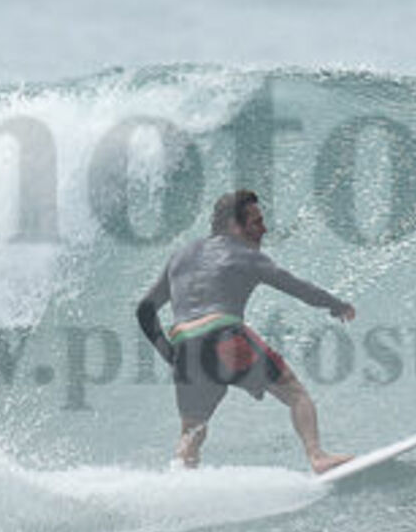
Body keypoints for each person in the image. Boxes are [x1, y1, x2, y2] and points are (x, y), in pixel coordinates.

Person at [136, 190, 357, 474]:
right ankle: (317, 457)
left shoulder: (180, 257)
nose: (264, 229)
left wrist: (171, 356)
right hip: (224, 338)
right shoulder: (248, 256)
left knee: (192, 430)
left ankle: (181, 477)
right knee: (295, 394)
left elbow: (144, 310)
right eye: (256, 222)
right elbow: (298, 287)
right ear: (234, 225)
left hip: (184, 347)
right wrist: (337, 305)